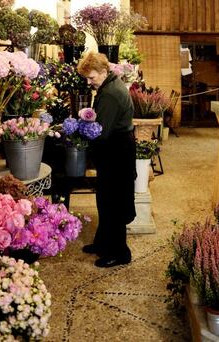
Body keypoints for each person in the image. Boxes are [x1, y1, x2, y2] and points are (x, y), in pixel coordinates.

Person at [77, 52, 136, 268]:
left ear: (103, 71)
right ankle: (103, 243)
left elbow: (101, 132)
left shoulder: (110, 93)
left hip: (116, 152)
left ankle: (120, 253)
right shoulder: (110, 84)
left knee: (113, 202)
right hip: (118, 148)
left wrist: (81, 129)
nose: (88, 82)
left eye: (91, 77)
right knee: (105, 199)